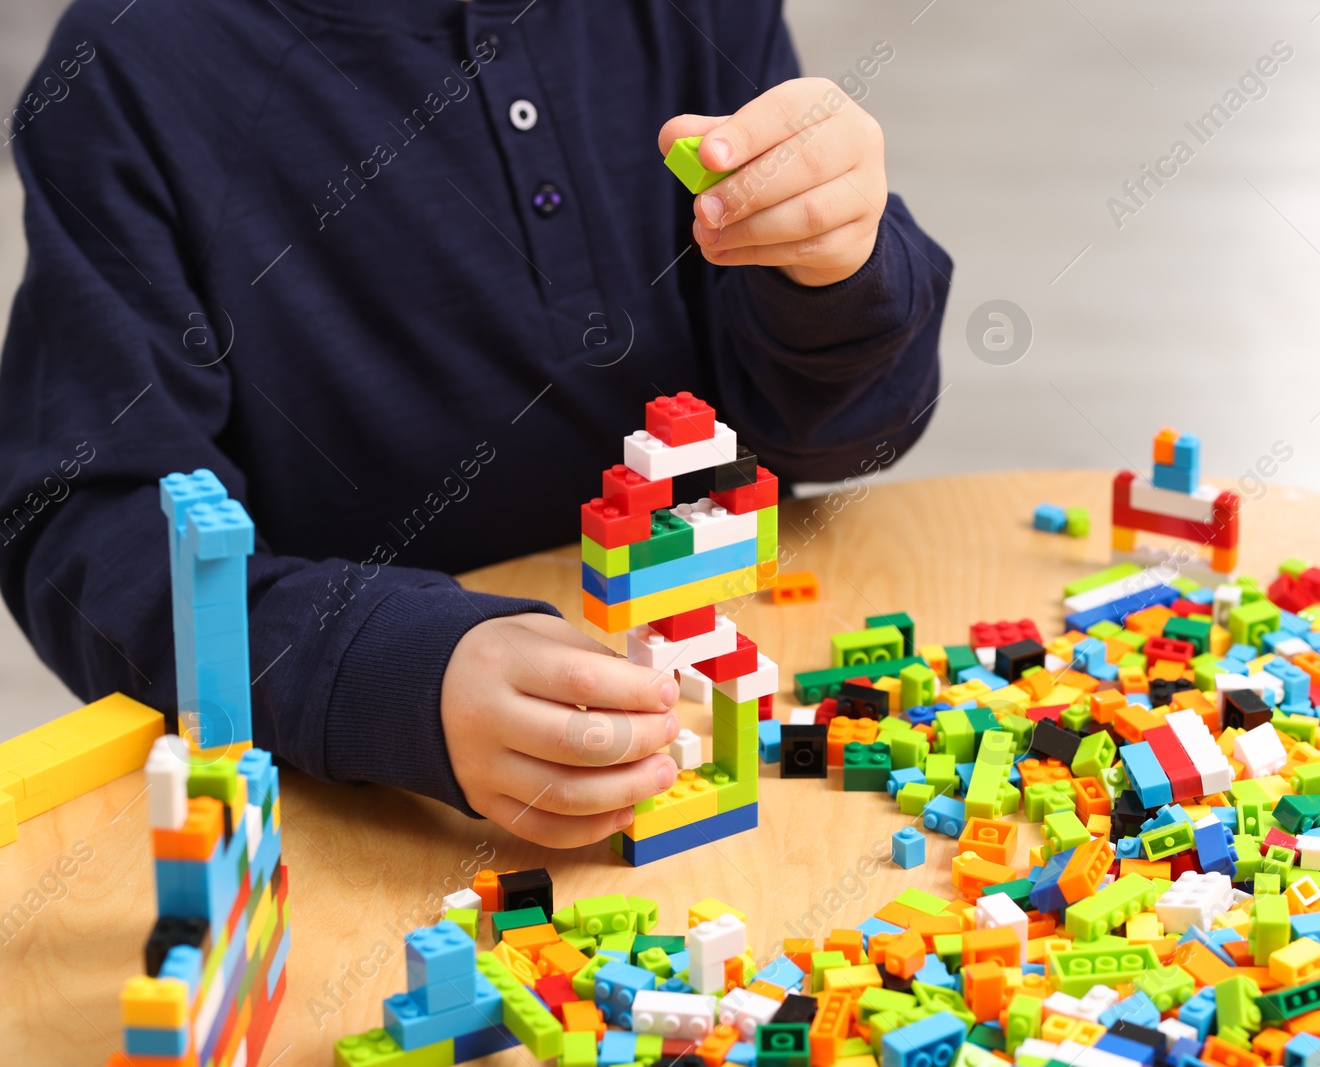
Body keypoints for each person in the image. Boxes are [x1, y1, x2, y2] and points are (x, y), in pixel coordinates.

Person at [0, 0, 951, 846]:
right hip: (368, 821)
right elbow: (84, 530)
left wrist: (837, 272)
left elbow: (829, 434)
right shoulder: (135, 65)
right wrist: (385, 674)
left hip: (727, 732)